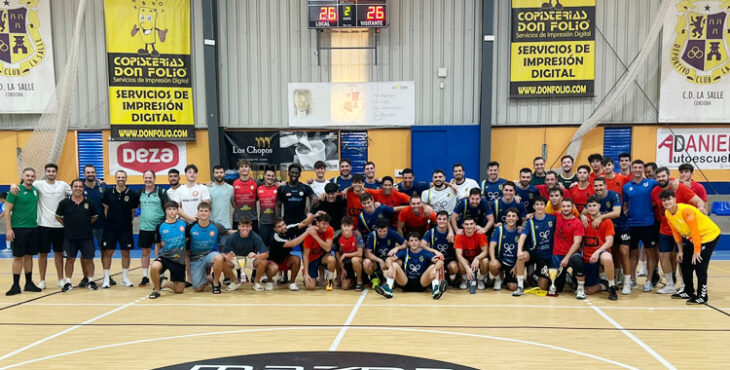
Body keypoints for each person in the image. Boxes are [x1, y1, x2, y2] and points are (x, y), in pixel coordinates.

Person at [651, 167, 704, 294]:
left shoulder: (679, 187)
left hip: (682, 230)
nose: (660, 179)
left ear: (669, 176)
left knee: (682, 259)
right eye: (658, 177)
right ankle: (669, 284)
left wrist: (701, 208)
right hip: (665, 230)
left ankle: (685, 284)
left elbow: (699, 201)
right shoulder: (654, 192)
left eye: (663, 176)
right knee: (663, 255)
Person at [661, 190, 720, 305]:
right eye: (664, 200)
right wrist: (680, 251)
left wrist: (697, 251)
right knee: (684, 262)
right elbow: (676, 232)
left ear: (674, 199)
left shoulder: (686, 211)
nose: (667, 202)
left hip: (709, 235)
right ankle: (688, 290)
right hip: (693, 239)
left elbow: (695, 231)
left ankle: (702, 295)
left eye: (669, 199)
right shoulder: (668, 213)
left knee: (699, 264)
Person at [21, 163, 72, 290]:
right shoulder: (38, 184)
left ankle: (61, 279)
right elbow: (24, 184)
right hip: (43, 225)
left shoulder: (63, 185)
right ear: (45, 172)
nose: (51, 173)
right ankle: (42, 280)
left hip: (59, 226)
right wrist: (12, 186)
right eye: (48, 171)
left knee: (59, 253)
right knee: (42, 254)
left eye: (53, 171)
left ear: (56, 173)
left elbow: (78, 190)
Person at [55, 179, 99, 292]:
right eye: (76, 186)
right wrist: (68, 225)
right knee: (70, 259)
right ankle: (68, 282)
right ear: (72, 188)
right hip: (70, 237)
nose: (78, 188)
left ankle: (91, 280)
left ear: (83, 188)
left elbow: (94, 217)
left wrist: (85, 224)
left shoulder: (89, 203)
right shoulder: (64, 203)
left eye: (80, 186)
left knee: (89, 259)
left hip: (86, 237)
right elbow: (58, 217)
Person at [623, 160, 659, 292]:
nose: (637, 169)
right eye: (635, 167)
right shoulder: (626, 187)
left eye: (640, 167)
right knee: (632, 254)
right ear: (631, 169)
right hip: (632, 225)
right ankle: (632, 279)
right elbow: (625, 205)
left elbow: (666, 183)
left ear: (643, 169)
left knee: (650, 254)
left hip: (648, 224)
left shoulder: (651, 183)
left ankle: (649, 281)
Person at [5, 168, 42, 296]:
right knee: (17, 257)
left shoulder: (36, 191)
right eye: (27, 175)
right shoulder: (15, 191)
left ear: (35, 177)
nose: (30, 178)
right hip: (18, 229)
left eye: (32, 176)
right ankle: (15, 285)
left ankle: (29, 283)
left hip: (33, 228)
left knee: (29, 256)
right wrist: (9, 229)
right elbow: (7, 210)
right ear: (22, 176)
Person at [592, 177, 632, 295]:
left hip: (622, 227)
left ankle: (627, 283)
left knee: (624, 252)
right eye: (596, 186)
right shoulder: (594, 198)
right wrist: (583, 216)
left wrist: (600, 217)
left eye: (601, 185)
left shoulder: (614, 195)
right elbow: (585, 211)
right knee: (612, 254)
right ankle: (613, 280)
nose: (598, 188)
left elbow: (617, 213)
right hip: (607, 230)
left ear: (605, 186)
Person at [377, 232, 446, 300]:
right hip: (406, 282)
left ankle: (436, 290)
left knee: (433, 266)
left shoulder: (425, 252)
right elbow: (388, 259)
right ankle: (388, 289)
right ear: (408, 243)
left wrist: (434, 269)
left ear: (420, 242)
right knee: (394, 265)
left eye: (416, 240)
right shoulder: (405, 252)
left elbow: (440, 261)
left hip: (421, 282)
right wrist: (390, 268)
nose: (414, 243)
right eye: (411, 241)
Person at [101, 170, 140, 288]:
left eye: (123, 177)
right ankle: (106, 279)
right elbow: (105, 210)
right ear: (115, 178)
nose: (121, 179)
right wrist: (111, 221)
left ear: (126, 178)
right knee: (108, 252)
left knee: (125, 252)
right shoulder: (108, 193)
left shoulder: (132, 194)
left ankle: (124, 278)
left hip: (125, 228)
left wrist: (125, 221)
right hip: (110, 228)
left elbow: (133, 212)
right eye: (118, 177)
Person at [515, 196, 555, 295]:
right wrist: (519, 251)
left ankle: (534, 274)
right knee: (521, 257)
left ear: (545, 206)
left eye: (542, 204)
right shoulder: (530, 221)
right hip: (533, 252)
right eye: (537, 204)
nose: (539, 206)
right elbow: (523, 236)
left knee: (542, 287)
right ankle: (520, 286)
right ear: (533, 206)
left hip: (546, 255)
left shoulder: (552, 219)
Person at [187, 203, 231, 294]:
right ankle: (209, 278)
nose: (203, 213)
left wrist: (242, 231)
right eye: (201, 211)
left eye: (206, 211)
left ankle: (215, 283)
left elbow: (228, 232)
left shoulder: (216, 226)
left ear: (210, 213)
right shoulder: (190, 227)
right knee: (198, 289)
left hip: (209, 255)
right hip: (195, 259)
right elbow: (183, 241)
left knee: (218, 257)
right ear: (198, 213)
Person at [149, 202, 187, 299]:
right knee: (154, 267)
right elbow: (157, 244)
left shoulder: (184, 224)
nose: (172, 212)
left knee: (179, 290)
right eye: (169, 209)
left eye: (174, 209)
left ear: (177, 211)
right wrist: (157, 258)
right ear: (165, 211)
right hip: (164, 257)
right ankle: (156, 290)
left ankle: (165, 283)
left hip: (178, 260)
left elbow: (188, 238)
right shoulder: (160, 226)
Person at [137, 170, 169, 287]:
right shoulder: (140, 192)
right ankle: (145, 276)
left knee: (160, 253)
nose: (148, 180)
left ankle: (161, 275)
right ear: (143, 179)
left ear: (154, 179)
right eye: (146, 178)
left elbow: (168, 208)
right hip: (144, 228)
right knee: (145, 253)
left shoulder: (161, 192)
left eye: (150, 178)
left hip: (158, 228)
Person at [582, 196, 618, 300]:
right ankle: (602, 284)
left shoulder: (607, 221)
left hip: (600, 252)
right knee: (589, 291)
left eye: (594, 205)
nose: (592, 208)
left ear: (599, 206)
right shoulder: (584, 220)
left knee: (607, 257)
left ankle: (611, 286)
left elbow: (609, 242)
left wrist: (597, 252)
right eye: (589, 206)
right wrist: (581, 215)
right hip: (587, 257)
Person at [265, 216, 311, 291]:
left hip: (285, 259)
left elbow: (304, 223)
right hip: (273, 261)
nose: (283, 227)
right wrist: (307, 232)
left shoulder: (288, 228)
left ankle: (292, 283)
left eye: (283, 224)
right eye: (279, 227)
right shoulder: (275, 238)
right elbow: (292, 243)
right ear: (275, 229)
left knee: (296, 259)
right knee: (274, 268)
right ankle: (269, 281)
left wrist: (314, 215)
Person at [552, 199, 585, 296]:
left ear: (572, 207)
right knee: (557, 287)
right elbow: (541, 215)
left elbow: (577, 242)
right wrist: (530, 215)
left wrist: (566, 257)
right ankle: (566, 276)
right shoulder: (555, 217)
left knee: (578, 260)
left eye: (568, 206)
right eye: (564, 206)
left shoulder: (577, 222)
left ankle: (580, 288)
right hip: (557, 254)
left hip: (571, 255)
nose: (566, 209)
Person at [82, 164, 106, 287]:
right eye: (88, 172)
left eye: (92, 172)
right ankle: (86, 277)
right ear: (84, 174)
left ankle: (106, 277)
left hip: (101, 224)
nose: (90, 174)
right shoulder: (80, 187)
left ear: (95, 174)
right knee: (85, 253)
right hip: (86, 226)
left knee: (104, 251)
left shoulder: (102, 187)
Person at [363, 219, 406, 287]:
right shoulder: (372, 235)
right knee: (366, 263)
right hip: (376, 259)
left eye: (384, 231)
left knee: (399, 262)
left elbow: (406, 244)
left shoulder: (393, 233)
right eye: (380, 231)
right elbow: (368, 253)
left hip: (389, 258)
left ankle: (391, 280)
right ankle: (375, 278)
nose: (382, 233)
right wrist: (379, 261)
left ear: (387, 229)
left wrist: (397, 248)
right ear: (376, 229)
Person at [488, 208, 521, 292]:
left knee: (513, 287)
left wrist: (517, 264)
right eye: (509, 216)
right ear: (505, 218)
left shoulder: (520, 232)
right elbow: (492, 245)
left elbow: (522, 251)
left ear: (517, 218)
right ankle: (498, 278)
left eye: (513, 216)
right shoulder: (499, 229)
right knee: (493, 265)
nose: (511, 218)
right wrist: (493, 259)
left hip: (512, 262)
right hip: (501, 260)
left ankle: (507, 279)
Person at [302, 213, 336, 291]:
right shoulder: (309, 234)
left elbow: (328, 248)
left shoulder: (330, 229)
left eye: (328, 223)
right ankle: (305, 273)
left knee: (332, 259)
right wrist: (307, 274)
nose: (326, 226)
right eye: (324, 224)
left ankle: (329, 282)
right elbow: (305, 255)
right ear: (317, 223)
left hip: (322, 257)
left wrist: (315, 236)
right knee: (310, 287)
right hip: (312, 259)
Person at [423, 211, 459, 286]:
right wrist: (434, 251)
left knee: (454, 267)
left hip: (448, 258)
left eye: (444, 219)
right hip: (436, 259)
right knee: (431, 267)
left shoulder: (452, 233)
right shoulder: (431, 232)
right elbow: (422, 245)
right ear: (436, 220)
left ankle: (448, 278)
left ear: (447, 220)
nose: (441, 221)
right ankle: (436, 282)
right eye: (439, 219)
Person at [454, 216, 489, 290]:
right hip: (466, 259)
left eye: (471, 224)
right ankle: (464, 279)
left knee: (485, 261)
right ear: (463, 225)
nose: (469, 226)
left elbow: (485, 251)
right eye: (466, 224)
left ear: (475, 224)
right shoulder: (459, 235)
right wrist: (467, 267)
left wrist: (477, 258)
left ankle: (481, 279)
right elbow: (458, 255)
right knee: (461, 262)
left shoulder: (480, 233)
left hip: (478, 258)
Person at [334, 216, 364, 291]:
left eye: (349, 226)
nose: (346, 228)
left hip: (355, 259)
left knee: (355, 260)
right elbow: (338, 256)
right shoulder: (337, 237)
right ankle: (350, 279)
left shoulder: (357, 235)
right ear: (341, 226)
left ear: (352, 227)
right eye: (344, 226)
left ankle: (359, 281)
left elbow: (360, 253)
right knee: (345, 287)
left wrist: (345, 254)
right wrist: (342, 269)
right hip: (344, 261)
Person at [232, 159, 258, 230]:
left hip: (252, 218)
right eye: (241, 167)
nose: (244, 168)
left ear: (250, 169)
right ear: (239, 169)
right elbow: (232, 200)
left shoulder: (256, 183)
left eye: (246, 166)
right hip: (238, 219)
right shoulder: (234, 183)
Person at [256, 169, 279, 244]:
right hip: (263, 223)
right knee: (264, 247)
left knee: (275, 247)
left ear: (275, 177)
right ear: (264, 176)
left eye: (272, 176)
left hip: (275, 223)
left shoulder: (279, 189)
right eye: (268, 175)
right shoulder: (259, 189)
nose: (270, 178)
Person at [209, 165, 234, 229]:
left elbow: (234, 205)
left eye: (221, 172)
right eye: (216, 173)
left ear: (224, 174)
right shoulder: (207, 188)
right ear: (213, 174)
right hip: (211, 225)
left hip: (226, 225)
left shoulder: (230, 188)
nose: (219, 174)